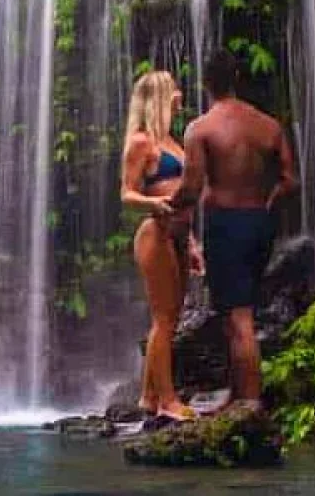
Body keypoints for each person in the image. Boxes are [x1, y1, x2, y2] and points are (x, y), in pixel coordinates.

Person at [169, 50, 298, 413]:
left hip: (225, 223)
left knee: (238, 315)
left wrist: (166, 205)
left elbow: (192, 187)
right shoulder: (269, 126)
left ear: (205, 84)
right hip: (260, 221)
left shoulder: (201, 128)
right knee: (236, 311)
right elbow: (290, 180)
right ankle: (236, 390)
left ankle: (251, 402)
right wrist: (269, 203)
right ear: (237, 78)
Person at [119, 69, 202, 423]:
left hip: (181, 235)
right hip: (156, 231)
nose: (180, 93)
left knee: (172, 318)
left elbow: (184, 197)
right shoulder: (141, 142)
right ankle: (168, 400)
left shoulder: (172, 142)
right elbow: (127, 193)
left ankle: (149, 396)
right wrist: (153, 205)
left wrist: (194, 243)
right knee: (164, 319)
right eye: (174, 89)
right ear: (160, 96)